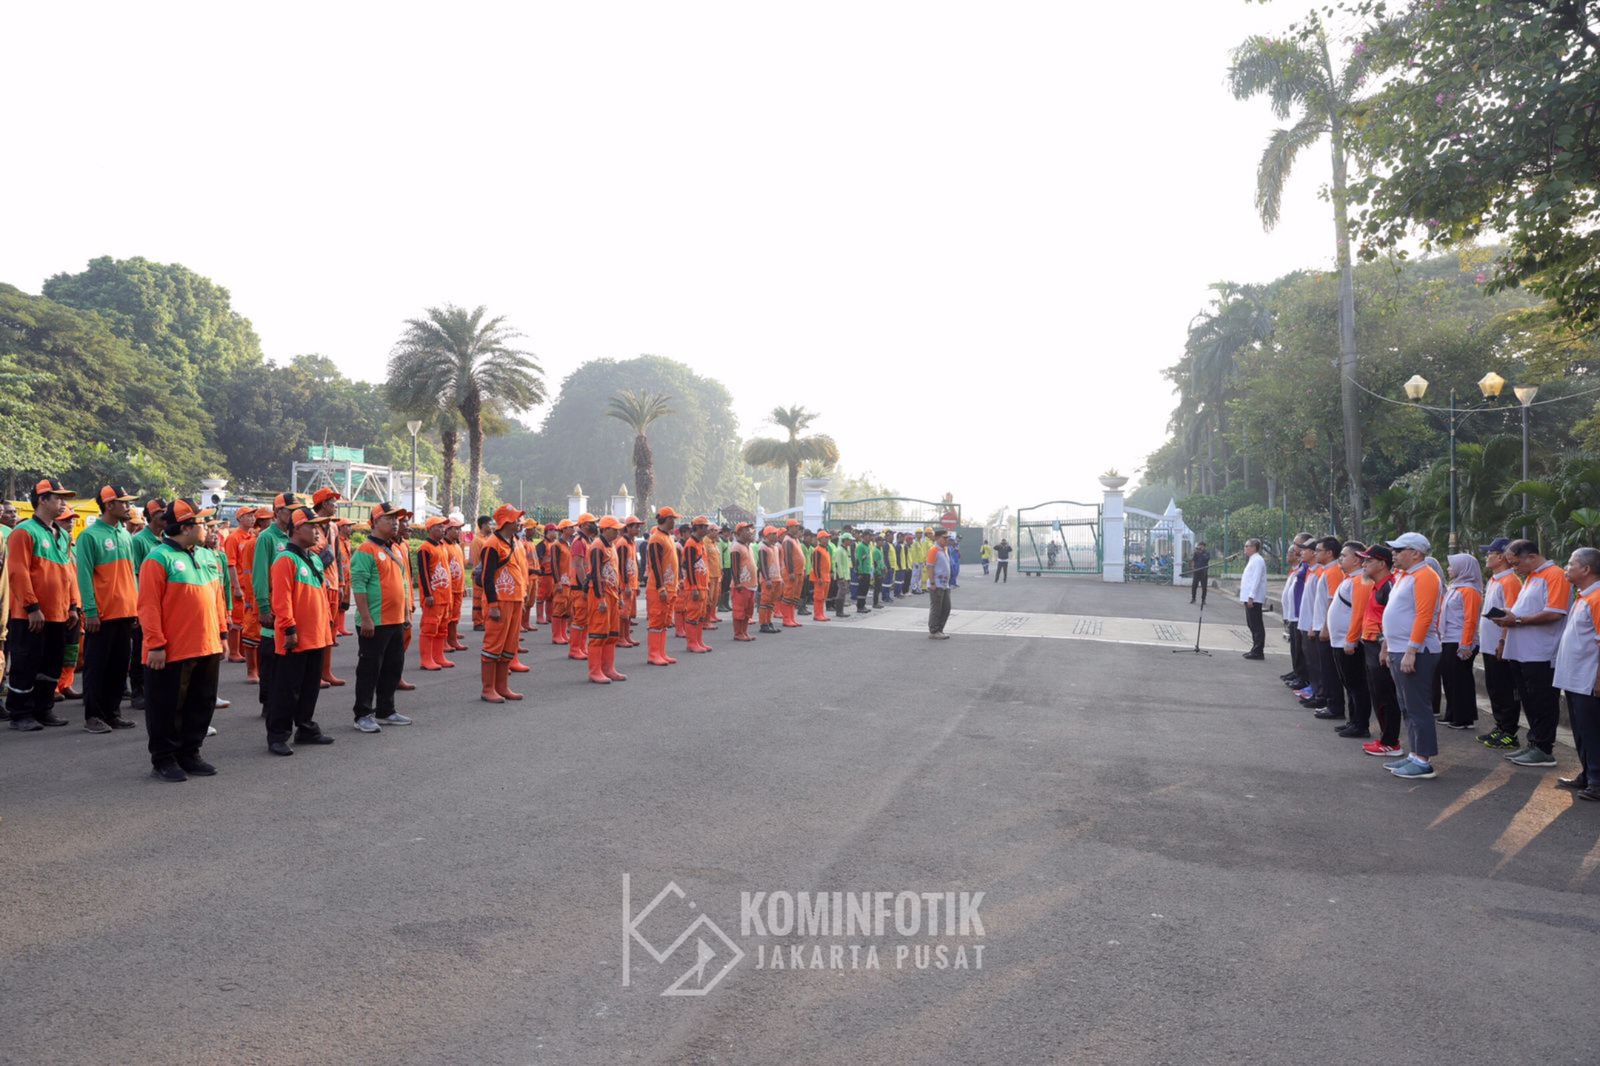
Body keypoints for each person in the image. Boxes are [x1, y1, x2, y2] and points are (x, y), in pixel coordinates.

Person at [138, 498, 226, 781]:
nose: (208, 528)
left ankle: (190, 753)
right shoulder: (158, 558)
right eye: (202, 523)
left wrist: (222, 633)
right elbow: (148, 606)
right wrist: (155, 645)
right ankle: (164, 759)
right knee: (166, 707)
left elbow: (217, 598)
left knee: (201, 703)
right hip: (173, 650)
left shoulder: (207, 556)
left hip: (207, 645)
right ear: (186, 527)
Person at [6, 479, 80, 731]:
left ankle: (43, 708)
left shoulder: (63, 535)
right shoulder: (23, 532)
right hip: (31, 616)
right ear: (42, 500)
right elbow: (18, 572)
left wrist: (72, 606)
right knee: (26, 664)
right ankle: (20, 713)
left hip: (58, 614)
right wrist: (32, 607)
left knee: (51, 664)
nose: (63, 503)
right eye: (58, 498)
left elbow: (68, 574)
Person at [266, 507, 338, 756]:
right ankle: (277, 735)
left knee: (309, 687)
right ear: (297, 528)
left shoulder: (314, 559)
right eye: (313, 526)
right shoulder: (285, 559)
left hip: (317, 635)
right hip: (295, 637)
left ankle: (306, 728)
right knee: (287, 689)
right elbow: (281, 600)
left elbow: (320, 596)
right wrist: (289, 629)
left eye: (319, 527)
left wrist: (327, 624)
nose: (318, 531)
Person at [1500, 538, 1571, 769]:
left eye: (1515, 563)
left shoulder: (1555, 575)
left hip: (1541, 653)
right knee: (1529, 701)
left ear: (1531, 557)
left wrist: (1518, 620)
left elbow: (1555, 612)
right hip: (1523, 652)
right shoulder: (1531, 577)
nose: (1514, 568)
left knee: (1542, 701)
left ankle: (1544, 748)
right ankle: (1534, 743)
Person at [75, 485, 141, 733]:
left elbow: (131, 575)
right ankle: (93, 716)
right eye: (124, 503)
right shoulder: (89, 536)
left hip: (125, 611)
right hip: (102, 614)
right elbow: (84, 576)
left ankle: (112, 713)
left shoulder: (124, 535)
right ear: (109, 505)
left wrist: (136, 607)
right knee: (97, 667)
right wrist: (90, 611)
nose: (128, 507)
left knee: (118, 666)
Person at [1381, 532, 1444, 779]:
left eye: (1399, 550)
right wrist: (1388, 645)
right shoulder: (1405, 576)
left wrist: (1412, 650)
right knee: (1407, 706)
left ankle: (1423, 760)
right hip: (1399, 649)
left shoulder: (1426, 576)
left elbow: (1424, 616)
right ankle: (1415, 753)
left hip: (1417, 651)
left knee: (1418, 706)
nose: (1394, 554)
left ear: (1416, 553)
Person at [349, 502, 415, 730]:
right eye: (390, 518)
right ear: (376, 522)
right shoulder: (365, 550)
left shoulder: (394, 549)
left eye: (397, 518)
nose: (396, 523)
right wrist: (366, 618)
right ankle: (362, 715)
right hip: (375, 622)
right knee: (369, 670)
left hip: (395, 620)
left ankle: (386, 710)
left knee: (393, 668)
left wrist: (405, 612)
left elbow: (403, 584)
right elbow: (358, 586)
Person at [1553, 546, 1600, 802]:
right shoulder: (1584, 596)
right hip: (1575, 678)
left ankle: (1597, 780)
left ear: (1586, 569)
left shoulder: (1598, 597)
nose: (1566, 568)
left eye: (1571, 564)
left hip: (1588, 679)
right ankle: (1588, 774)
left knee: (1592, 730)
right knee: (1581, 730)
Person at [251, 493, 299, 717]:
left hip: (291, 607)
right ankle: (268, 702)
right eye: (291, 510)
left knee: (288, 658)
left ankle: (284, 702)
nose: (295, 514)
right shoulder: (267, 538)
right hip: (273, 607)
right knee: (271, 656)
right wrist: (263, 606)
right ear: (278, 512)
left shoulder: (294, 537)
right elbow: (260, 574)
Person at [1354, 545, 1404, 755]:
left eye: (1368, 560)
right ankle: (1386, 738)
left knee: (1386, 695)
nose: (1363, 564)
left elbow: (1392, 620)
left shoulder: (1389, 586)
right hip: (1371, 645)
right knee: (1378, 694)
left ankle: (1391, 741)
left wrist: (1385, 647)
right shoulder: (1377, 586)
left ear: (1382, 564)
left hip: (1381, 646)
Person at [477, 504, 530, 702]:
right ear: (506, 522)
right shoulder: (492, 544)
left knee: (509, 645)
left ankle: (502, 687)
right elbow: (487, 577)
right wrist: (493, 605)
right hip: (500, 602)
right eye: (516, 519)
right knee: (493, 645)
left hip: (515, 600)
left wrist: (522, 596)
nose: (519, 522)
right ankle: (488, 689)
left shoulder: (514, 541)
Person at [1477, 537, 1524, 752]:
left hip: (1501, 645)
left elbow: (1511, 614)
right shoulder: (1495, 580)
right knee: (1495, 688)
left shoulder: (1510, 581)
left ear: (1501, 557)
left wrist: (1503, 641)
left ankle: (1509, 732)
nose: (1487, 557)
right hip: (1489, 644)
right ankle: (1500, 726)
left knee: (1505, 689)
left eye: (1490, 553)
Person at [1325, 541, 1372, 735]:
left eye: (1344, 555)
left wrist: (1351, 639)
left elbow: (1359, 614)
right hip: (1340, 640)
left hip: (1349, 642)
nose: (1340, 559)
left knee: (1356, 684)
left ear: (1357, 559)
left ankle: (1360, 724)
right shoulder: (1350, 579)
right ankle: (1353, 721)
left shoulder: (1361, 581)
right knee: (1349, 683)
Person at [128, 497, 166, 710]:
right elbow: (134, 575)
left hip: (163, 605)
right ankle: (137, 691)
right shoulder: (139, 541)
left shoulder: (166, 538)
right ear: (151, 515)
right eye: (162, 511)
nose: (166, 515)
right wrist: (137, 606)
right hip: (145, 604)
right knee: (140, 649)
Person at [1437, 553, 1483, 729]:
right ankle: (1452, 713)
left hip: (1460, 640)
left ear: (1463, 568)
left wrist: (1466, 644)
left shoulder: (1470, 590)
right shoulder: (1455, 588)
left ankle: (1464, 718)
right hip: (1448, 639)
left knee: (1460, 681)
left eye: (1452, 565)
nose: (1449, 569)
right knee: (1449, 679)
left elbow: (1471, 620)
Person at [310, 488, 348, 687]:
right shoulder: (310, 525)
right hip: (317, 584)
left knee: (330, 629)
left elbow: (338, 556)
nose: (335, 506)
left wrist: (341, 583)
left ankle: (326, 671)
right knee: (317, 629)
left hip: (332, 584)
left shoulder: (333, 527)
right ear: (324, 504)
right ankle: (314, 674)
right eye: (333, 502)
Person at [586, 515, 627, 683]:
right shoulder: (597, 546)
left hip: (613, 595)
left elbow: (616, 573)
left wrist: (620, 595)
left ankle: (609, 668)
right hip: (601, 596)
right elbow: (595, 574)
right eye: (614, 529)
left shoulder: (612, 546)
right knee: (598, 634)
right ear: (605, 529)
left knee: (612, 634)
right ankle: (595, 671)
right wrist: (600, 598)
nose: (617, 532)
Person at [416, 516, 456, 671]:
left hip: (445, 595)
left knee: (442, 628)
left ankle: (439, 656)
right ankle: (426, 659)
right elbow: (423, 573)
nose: (442, 529)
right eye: (439, 526)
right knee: (429, 628)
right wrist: (428, 594)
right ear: (431, 528)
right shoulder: (425, 548)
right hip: (434, 596)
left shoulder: (441, 546)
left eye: (443, 526)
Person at [645, 508, 681, 665]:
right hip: (659, 588)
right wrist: (661, 587)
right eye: (673, 519)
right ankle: (654, 654)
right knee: (656, 621)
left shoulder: (668, 537)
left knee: (665, 621)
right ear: (667, 519)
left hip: (670, 587)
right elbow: (656, 565)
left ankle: (661, 652)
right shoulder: (656, 539)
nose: (675, 522)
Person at [222, 507, 256, 663]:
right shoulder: (233, 538)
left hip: (249, 586)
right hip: (239, 585)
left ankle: (241, 650)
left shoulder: (251, 536)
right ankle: (234, 652)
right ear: (240, 518)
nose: (252, 518)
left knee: (246, 618)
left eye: (253, 516)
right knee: (236, 620)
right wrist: (236, 587)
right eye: (248, 516)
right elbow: (231, 564)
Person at [680, 517, 714, 653]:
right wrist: (693, 587)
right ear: (698, 528)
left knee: (700, 615)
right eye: (704, 527)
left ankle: (699, 641)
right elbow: (688, 566)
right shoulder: (691, 544)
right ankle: (692, 643)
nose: (707, 529)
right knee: (693, 615)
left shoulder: (700, 543)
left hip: (702, 585)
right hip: (694, 587)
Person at [1238, 538, 1268, 660]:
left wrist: (1251, 596)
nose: (1245, 548)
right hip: (1249, 597)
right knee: (1251, 624)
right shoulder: (1253, 559)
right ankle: (1255, 648)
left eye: (1247, 546)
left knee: (1256, 625)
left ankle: (1258, 651)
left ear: (1254, 547)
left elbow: (1256, 580)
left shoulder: (1258, 560)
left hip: (1254, 598)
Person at [728, 522, 758, 641]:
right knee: (739, 610)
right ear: (739, 533)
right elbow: (734, 567)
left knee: (748, 610)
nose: (749, 532)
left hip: (751, 585)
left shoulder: (748, 546)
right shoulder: (736, 547)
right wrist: (737, 583)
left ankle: (744, 632)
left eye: (749, 530)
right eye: (746, 530)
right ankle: (738, 633)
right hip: (741, 585)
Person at [618, 517, 643, 648]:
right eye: (635, 527)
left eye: (639, 527)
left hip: (631, 583)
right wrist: (626, 584)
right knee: (623, 613)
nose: (638, 529)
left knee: (628, 613)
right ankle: (620, 637)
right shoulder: (623, 543)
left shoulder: (631, 542)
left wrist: (636, 583)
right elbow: (621, 566)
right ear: (627, 527)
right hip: (624, 584)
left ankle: (626, 636)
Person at [757, 526, 784, 635]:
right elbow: (762, 565)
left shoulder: (776, 547)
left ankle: (769, 622)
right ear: (767, 535)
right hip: (768, 580)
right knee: (765, 601)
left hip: (777, 578)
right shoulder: (763, 548)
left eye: (776, 534)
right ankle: (763, 624)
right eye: (773, 534)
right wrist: (767, 579)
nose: (776, 536)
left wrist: (780, 577)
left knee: (772, 602)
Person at [927, 529, 952, 638]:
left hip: (945, 585)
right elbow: (929, 567)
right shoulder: (934, 550)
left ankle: (940, 630)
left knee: (946, 608)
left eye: (947, 538)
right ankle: (934, 631)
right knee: (936, 609)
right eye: (944, 538)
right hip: (937, 585)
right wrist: (932, 583)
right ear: (937, 538)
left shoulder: (944, 549)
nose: (947, 540)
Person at [781, 520, 806, 627]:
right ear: (790, 527)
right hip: (792, 573)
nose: (797, 528)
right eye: (796, 526)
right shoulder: (787, 540)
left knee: (795, 596)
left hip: (799, 572)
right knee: (788, 596)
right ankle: (787, 619)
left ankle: (792, 618)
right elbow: (788, 557)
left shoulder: (795, 539)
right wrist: (791, 572)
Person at [469, 515, 492, 630]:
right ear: (483, 525)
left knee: (485, 599)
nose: (491, 526)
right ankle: (478, 622)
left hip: (486, 573)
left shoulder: (488, 539)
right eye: (490, 524)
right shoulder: (477, 541)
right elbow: (476, 560)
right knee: (478, 600)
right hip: (479, 574)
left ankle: (484, 621)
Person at [810, 530, 834, 622]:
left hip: (826, 577)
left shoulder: (826, 549)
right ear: (820, 539)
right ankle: (817, 615)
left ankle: (821, 613)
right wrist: (818, 577)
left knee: (823, 597)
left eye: (828, 538)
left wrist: (830, 572)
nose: (827, 539)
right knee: (818, 597)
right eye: (826, 538)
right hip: (820, 578)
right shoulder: (817, 550)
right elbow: (815, 565)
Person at [830, 531, 852, 618]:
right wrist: (841, 577)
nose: (851, 542)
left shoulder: (845, 549)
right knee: (841, 593)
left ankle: (841, 610)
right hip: (842, 576)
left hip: (846, 575)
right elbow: (838, 564)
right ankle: (839, 611)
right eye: (849, 540)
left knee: (843, 593)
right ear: (845, 540)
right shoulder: (839, 550)